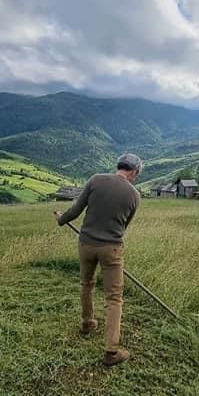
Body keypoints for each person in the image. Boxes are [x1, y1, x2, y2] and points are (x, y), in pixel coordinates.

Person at [54, 154, 142, 366]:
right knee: (114, 298)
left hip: (85, 244)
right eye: (137, 174)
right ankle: (111, 352)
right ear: (134, 171)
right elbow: (124, 226)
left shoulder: (95, 180)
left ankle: (87, 323)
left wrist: (60, 220)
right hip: (111, 248)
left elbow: (75, 210)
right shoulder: (134, 195)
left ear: (119, 166)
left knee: (87, 284)